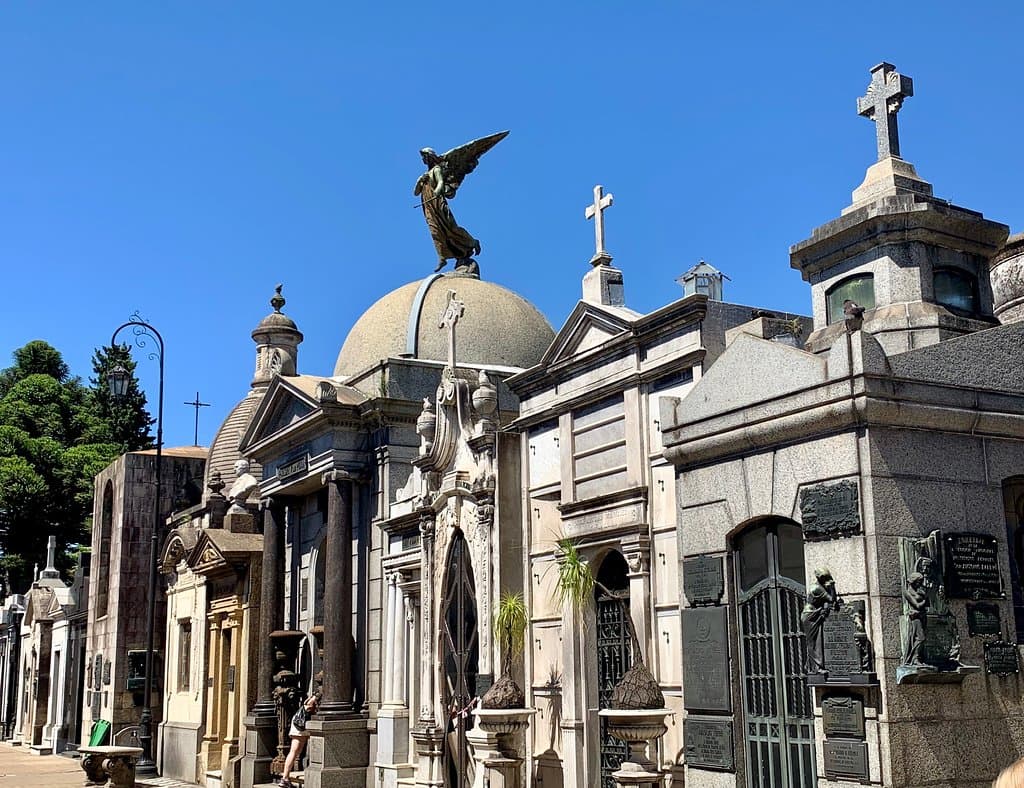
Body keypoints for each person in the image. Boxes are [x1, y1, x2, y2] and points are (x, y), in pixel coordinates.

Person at [277, 694, 319, 788]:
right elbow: (308, 708)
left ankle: (285, 778)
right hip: (300, 728)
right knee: (294, 752)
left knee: (295, 752)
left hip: (299, 727)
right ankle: (285, 778)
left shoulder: (311, 699)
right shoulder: (314, 699)